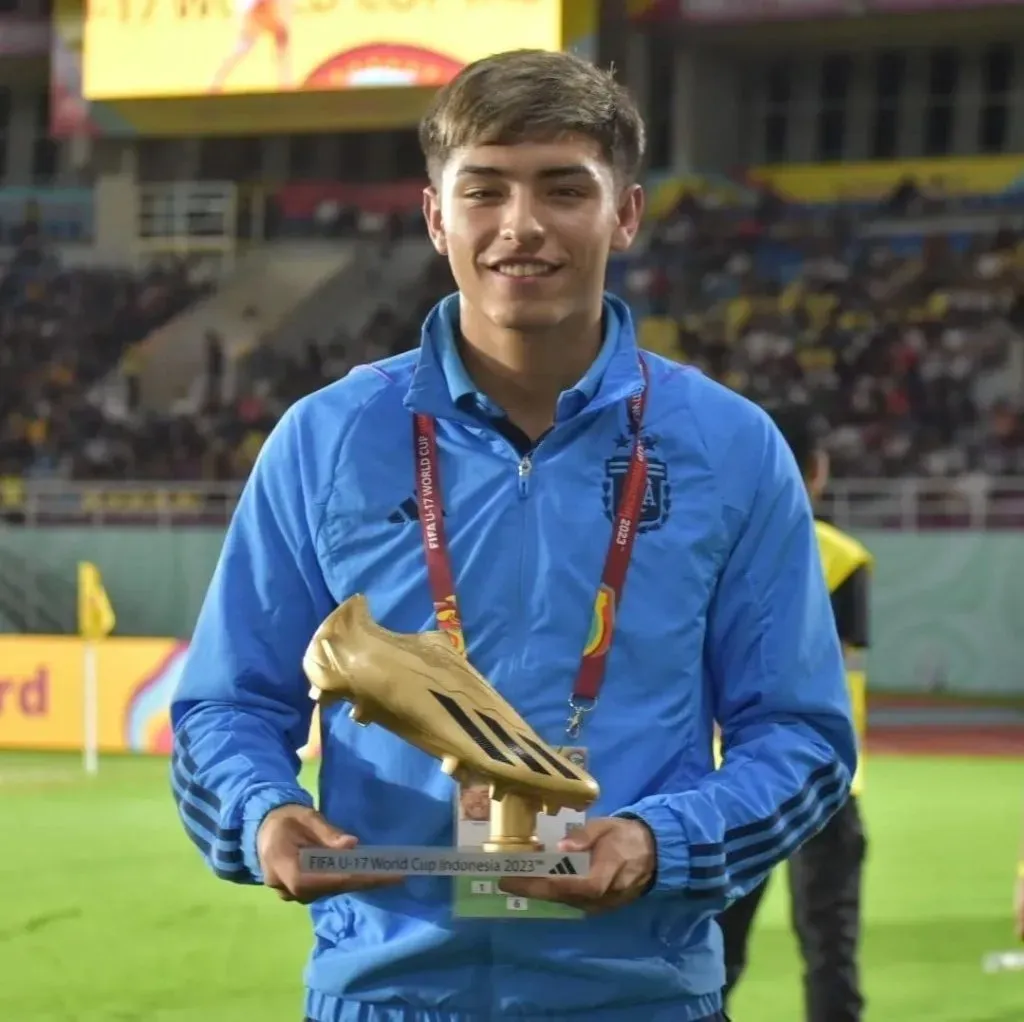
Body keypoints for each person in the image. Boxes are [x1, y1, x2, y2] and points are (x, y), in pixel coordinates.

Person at [169, 48, 857, 1022]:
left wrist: (661, 840)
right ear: (434, 215)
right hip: (384, 992)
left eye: (562, 189)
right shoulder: (327, 439)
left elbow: (801, 734)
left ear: (625, 213)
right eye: (483, 189)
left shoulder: (727, 446)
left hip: (642, 997)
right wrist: (261, 814)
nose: (520, 225)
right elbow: (226, 705)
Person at [717, 406, 872, 1022]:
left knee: (714, 949)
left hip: (726, 781)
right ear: (818, 471)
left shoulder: (717, 543)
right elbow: (846, 671)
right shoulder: (844, 557)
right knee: (830, 946)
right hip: (827, 781)